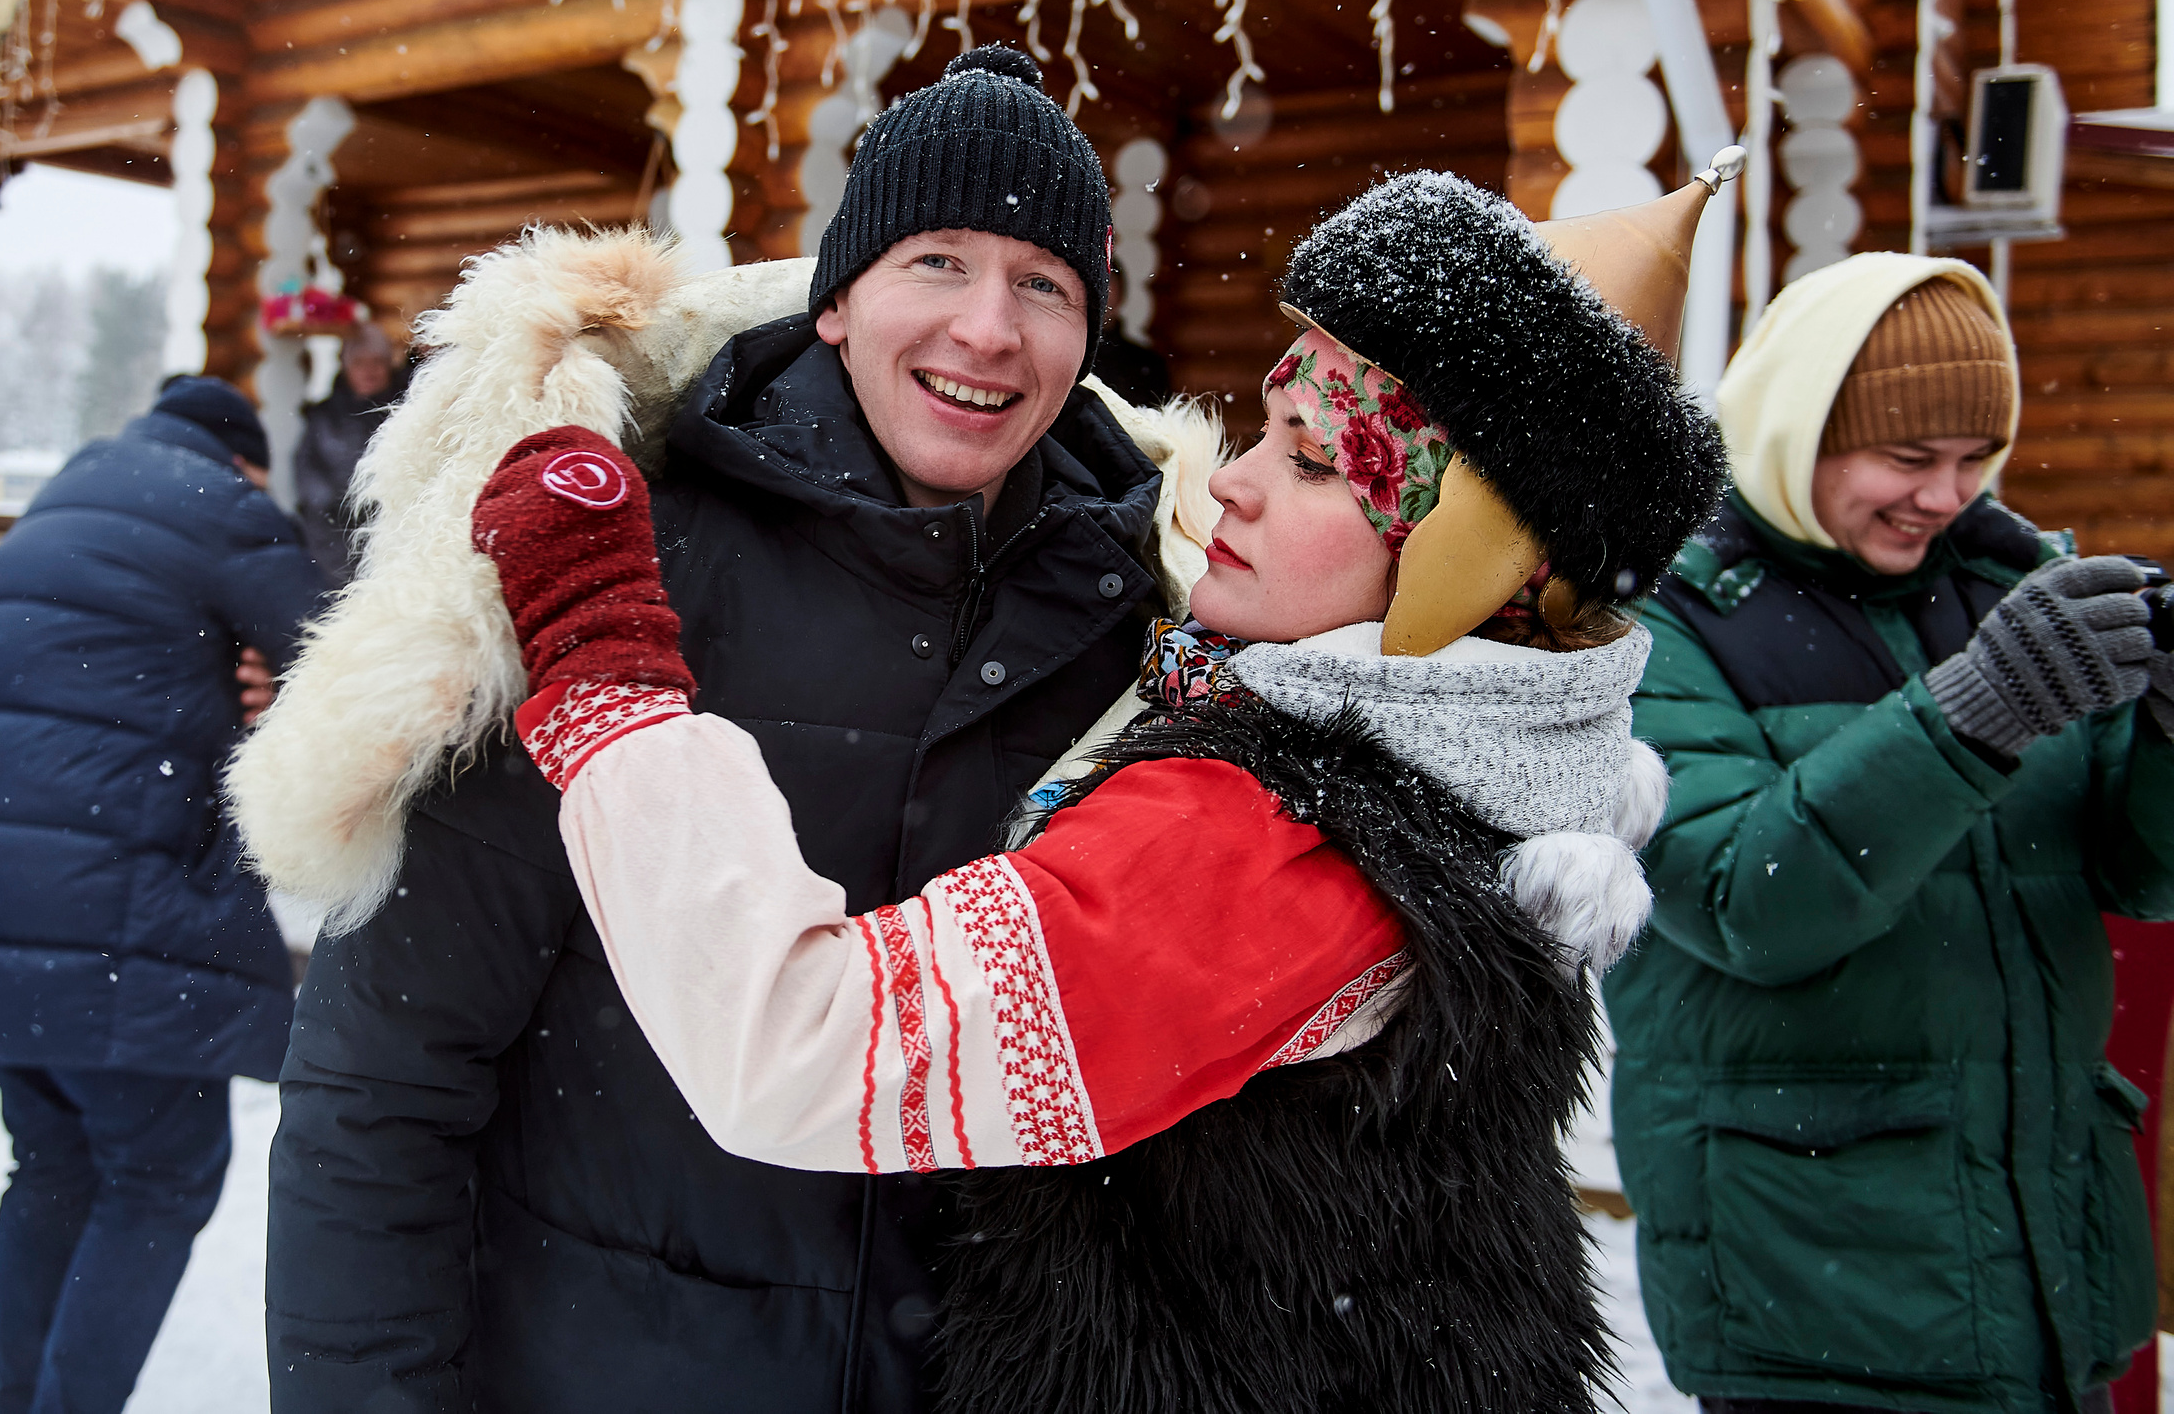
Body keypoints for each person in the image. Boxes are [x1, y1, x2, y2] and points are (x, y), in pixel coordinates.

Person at [463, 161, 1731, 1413]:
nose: (1230, 477)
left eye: (1305, 461)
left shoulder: (1275, 852)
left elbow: (801, 1048)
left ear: (1458, 562)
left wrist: (604, 663)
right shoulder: (1474, 775)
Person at [235, 44, 1173, 1411]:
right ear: (839, 299)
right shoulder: (621, 559)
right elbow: (386, 1072)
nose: (989, 326)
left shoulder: (1146, 618)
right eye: (938, 261)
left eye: (1044, 284)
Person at [1605, 255, 2174, 1414]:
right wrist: (1980, 709)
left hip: (2044, 1251)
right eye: (1907, 459)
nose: (1945, 495)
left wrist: (2166, 728)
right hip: (1819, 1280)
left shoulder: (2006, 585)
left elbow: (2141, 872)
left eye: (1975, 460)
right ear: (1788, 430)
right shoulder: (1652, 621)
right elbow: (1742, 899)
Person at [0, 375, 322, 1414]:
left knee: (54, 1165)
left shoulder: (59, 508)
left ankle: (23, 1395)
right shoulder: (223, 506)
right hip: (110, 911)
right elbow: (339, 661)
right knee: (163, 1171)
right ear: (243, 460)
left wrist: (218, 680)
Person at [293, 319, 407, 589]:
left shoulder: (405, 413)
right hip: (339, 564)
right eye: (359, 362)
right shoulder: (323, 421)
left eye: (377, 361)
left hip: (401, 557)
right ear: (345, 367)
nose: (369, 371)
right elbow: (316, 506)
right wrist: (345, 574)